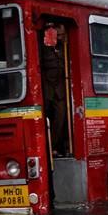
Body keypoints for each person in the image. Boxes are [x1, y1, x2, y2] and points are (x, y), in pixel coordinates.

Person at [40, 23, 68, 156]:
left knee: (61, 117)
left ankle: (55, 146)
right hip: (46, 90)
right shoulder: (44, 48)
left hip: (60, 91)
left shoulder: (65, 48)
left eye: (63, 35)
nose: (61, 38)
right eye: (59, 35)